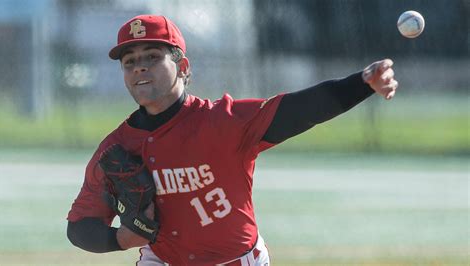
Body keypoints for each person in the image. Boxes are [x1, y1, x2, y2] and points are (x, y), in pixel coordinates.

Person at [66, 14, 398, 265]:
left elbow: (300, 109)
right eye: (130, 62)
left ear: (183, 66)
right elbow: (80, 226)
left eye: (153, 56)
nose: (140, 68)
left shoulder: (221, 123)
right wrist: (122, 239)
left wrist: (362, 83)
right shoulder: (117, 146)